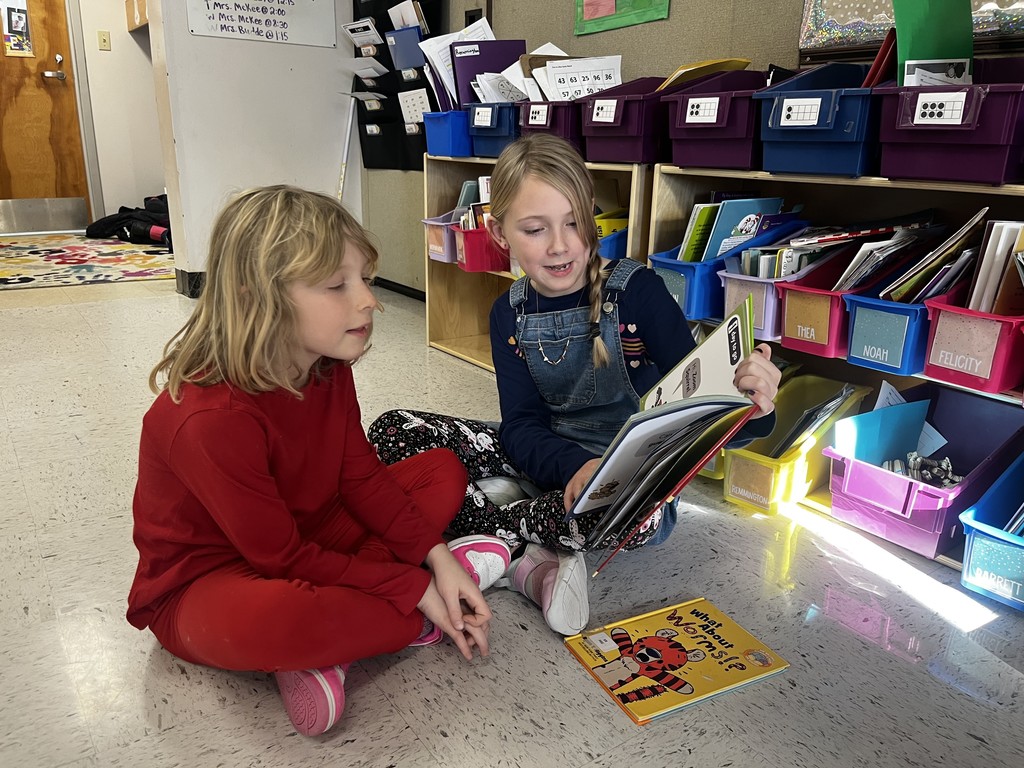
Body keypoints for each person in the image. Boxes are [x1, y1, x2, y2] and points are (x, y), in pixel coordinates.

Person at [125, 185, 513, 738]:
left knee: (442, 471)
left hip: (312, 533)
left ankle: (359, 628)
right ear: (256, 296)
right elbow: (279, 556)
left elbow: (359, 476)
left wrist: (438, 555)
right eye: (337, 285)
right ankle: (381, 617)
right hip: (209, 582)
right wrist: (413, 588)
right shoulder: (209, 418)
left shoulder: (326, 361)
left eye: (365, 280)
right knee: (293, 619)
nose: (369, 302)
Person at [369, 135, 781, 637]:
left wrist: (754, 408)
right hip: (550, 459)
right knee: (393, 431)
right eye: (535, 229)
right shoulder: (509, 312)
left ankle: (498, 524)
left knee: (637, 516)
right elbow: (521, 427)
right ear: (499, 233)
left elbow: (703, 422)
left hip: (624, 484)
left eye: (574, 222)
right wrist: (571, 467)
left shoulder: (638, 293)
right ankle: (527, 542)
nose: (561, 245)